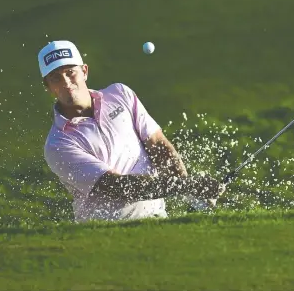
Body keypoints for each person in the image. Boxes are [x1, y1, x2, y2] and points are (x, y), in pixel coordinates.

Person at [38, 40, 225, 222]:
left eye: (71, 72)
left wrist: (193, 195)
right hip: (104, 235)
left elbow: (158, 145)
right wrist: (186, 186)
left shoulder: (120, 94)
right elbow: (118, 186)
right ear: (48, 87)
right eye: (56, 77)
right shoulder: (58, 143)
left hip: (159, 220)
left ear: (84, 71)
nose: (66, 82)